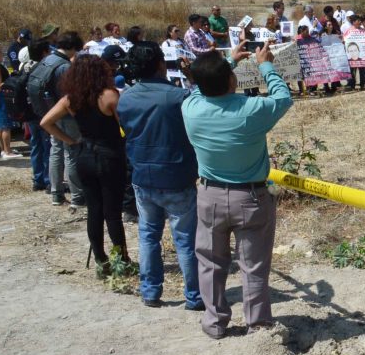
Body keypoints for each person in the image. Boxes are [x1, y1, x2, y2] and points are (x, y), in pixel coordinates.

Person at [182, 41, 292, 339]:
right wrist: (265, 64)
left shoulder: (191, 107)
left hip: (209, 195)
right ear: (232, 81)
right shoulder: (251, 109)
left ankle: (215, 323)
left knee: (210, 263)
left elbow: (201, 86)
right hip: (251, 197)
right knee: (253, 265)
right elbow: (283, 97)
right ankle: (257, 326)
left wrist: (227, 62)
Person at [117, 42, 203, 310]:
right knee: (186, 240)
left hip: (143, 177)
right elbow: (202, 104)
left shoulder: (125, 98)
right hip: (177, 177)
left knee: (148, 236)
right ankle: (194, 296)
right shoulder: (178, 97)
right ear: (160, 65)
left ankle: (151, 291)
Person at [41, 55, 128, 276]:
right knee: (113, 212)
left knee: (94, 210)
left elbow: (46, 122)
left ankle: (101, 260)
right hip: (109, 155)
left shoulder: (71, 99)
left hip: (84, 154)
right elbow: (124, 128)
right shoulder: (109, 96)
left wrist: (71, 141)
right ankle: (121, 260)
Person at [27, 31, 85, 207]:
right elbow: (69, 95)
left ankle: (56, 193)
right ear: (72, 48)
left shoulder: (47, 60)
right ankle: (77, 197)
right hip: (65, 115)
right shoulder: (64, 67)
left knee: (56, 151)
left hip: (48, 112)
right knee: (71, 152)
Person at [23, 40, 53, 190]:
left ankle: (38, 179)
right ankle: (48, 180)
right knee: (47, 145)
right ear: (44, 53)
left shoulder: (25, 66)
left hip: (29, 112)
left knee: (36, 146)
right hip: (42, 112)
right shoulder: (43, 68)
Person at [0, 45, 22, 159]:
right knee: (5, 125)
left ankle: (4, 149)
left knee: (0, 125)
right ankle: (7, 151)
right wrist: (12, 81)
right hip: (1, 98)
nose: (2, 56)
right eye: (0, 54)